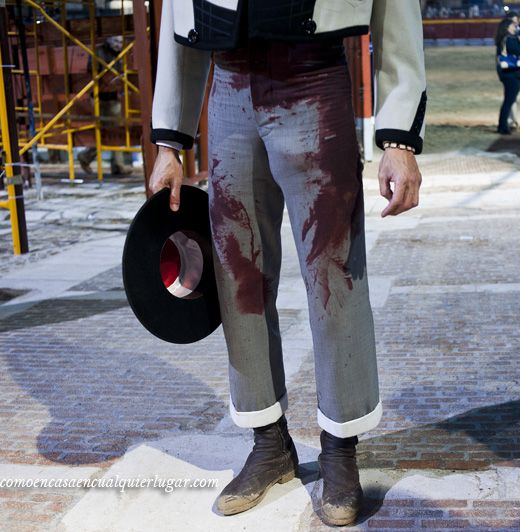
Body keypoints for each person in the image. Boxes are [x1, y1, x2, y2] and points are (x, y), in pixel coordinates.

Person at [148, 0, 426, 526]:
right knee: (237, 280)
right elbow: (180, 10)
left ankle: (341, 450)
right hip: (227, 86)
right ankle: (269, 444)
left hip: (313, 77)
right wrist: (171, 139)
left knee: (334, 276)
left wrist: (398, 136)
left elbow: (396, 7)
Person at [77, 36, 133, 176]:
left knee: (114, 132)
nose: (119, 45)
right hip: (99, 99)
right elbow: (94, 73)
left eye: (121, 42)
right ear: (108, 41)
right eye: (115, 42)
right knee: (105, 133)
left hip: (113, 98)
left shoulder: (120, 54)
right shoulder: (99, 53)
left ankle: (116, 165)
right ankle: (86, 156)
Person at [495, 18, 520, 135]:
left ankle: (502, 125)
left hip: (507, 73)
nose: (515, 27)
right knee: (509, 101)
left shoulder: (504, 39)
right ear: (507, 28)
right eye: (513, 26)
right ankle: (502, 126)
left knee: (508, 101)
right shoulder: (509, 39)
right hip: (511, 74)